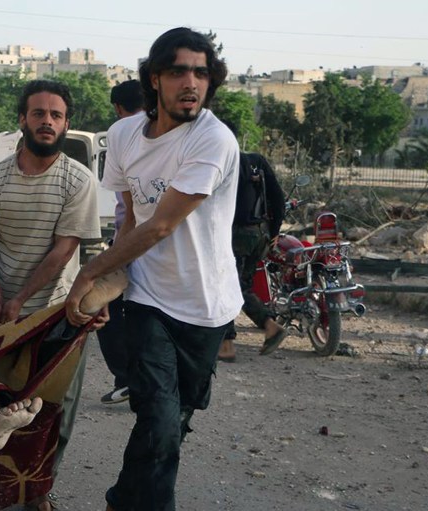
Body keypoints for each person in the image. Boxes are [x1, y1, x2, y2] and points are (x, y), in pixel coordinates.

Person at [64, 27, 243, 511]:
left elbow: (161, 224)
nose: (191, 82)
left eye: (202, 72)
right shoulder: (122, 135)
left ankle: (123, 500)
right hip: (148, 299)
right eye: (179, 70)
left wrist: (87, 271)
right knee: (160, 421)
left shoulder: (213, 140)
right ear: (154, 78)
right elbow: (130, 220)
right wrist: (106, 285)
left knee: (169, 428)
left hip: (206, 305)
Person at [0, 79, 102, 511]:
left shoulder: (78, 179)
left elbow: (65, 250)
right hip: (3, 316)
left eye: (56, 115)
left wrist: (19, 298)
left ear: (65, 124)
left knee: (56, 407)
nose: (47, 122)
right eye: (38, 113)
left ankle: (38, 489)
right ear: (22, 119)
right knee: (0, 402)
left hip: (61, 313)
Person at [219, 121, 288, 361]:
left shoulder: (221, 163)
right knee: (240, 284)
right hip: (259, 234)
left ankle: (263, 327)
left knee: (228, 286)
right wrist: (275, 231)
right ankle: (228, 342)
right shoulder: (256, 161)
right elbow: (278, 199)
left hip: (234, 235)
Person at [98, 79, 144, 405]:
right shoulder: (162, 132)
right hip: (153, 241)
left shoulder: (122, 135)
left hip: (133, 240)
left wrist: (113, 258)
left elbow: (131, 212)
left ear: (117, 107)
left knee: (104, 308)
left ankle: (129, 379)